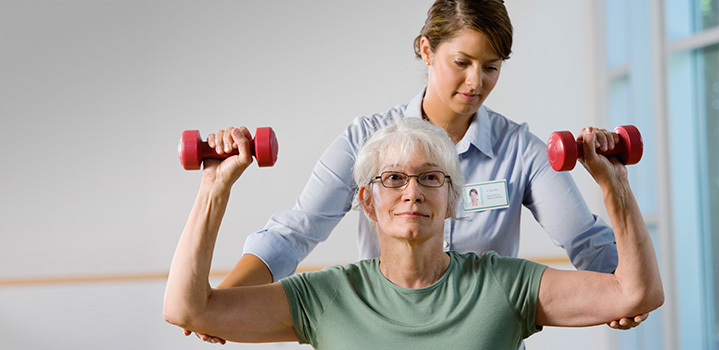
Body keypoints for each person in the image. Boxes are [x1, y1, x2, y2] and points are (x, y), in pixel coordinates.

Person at [187, 0, 646, 343]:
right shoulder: (365, 141)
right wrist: (225, 303)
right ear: (427, 51)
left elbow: (586, 240)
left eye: (491, 68)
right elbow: (294, 234)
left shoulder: (521, 151)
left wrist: (620, 293)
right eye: (461, 63)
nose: (475, 83)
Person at [163, 119, 664, 349]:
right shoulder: (327, 296)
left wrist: (613, 183)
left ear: (451, 201)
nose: (412, 192)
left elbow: (635, 292)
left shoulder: (503, 285)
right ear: (367, 201)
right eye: (393, 179)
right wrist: (214, 186)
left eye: (431, 178)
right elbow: (188, 309)